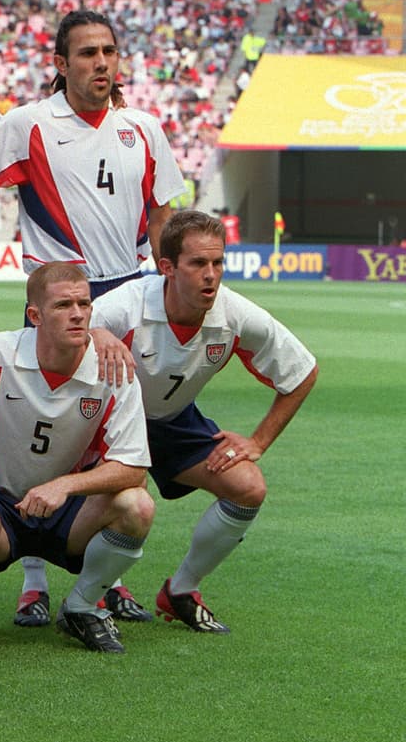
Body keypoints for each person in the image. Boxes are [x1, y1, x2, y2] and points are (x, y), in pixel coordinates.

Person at [0, 7, 184, 627]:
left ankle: (104, 579)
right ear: (60, 64)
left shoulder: (143, 129)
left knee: (109, 441)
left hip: (129, 296)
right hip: (62, 295)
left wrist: (162, 286)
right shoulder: (30, 124)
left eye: (108, 52)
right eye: (86, 53)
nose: (100, 63)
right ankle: (34, 582)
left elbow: (161, 214)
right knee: (48, 430)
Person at [89, 210, 317, 632]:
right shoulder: (127, 304)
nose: (210, 275)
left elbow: (302, 371)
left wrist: (259, 442)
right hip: (110, 424)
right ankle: (96, 592)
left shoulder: (234, 314)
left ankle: (181, 589)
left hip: (175, 422)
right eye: (198, 264)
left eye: (217, 263)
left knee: (249, 487)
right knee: (127, 499)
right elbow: (73, 327)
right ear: (167, 268)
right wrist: (95, 333)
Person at [0, 262, 153, 653]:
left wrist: (65, 485)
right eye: (64, 305)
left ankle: (81, 608)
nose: (78, 313)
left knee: (138, 507)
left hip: (70, 507)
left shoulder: (114, 370)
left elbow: (133, 469)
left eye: (84, 303)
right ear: (35, 315)